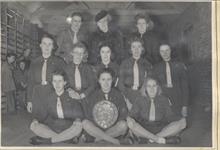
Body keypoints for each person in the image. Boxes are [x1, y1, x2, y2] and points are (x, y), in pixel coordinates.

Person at [29, 70, 84, 145]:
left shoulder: (71, 95)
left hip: (68, 127)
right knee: (33, 126)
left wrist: (77, 119)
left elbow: (79, 113)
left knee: (79, 126)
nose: (57, 84)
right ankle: (65, 139)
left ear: (65, 82)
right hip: (53, 128)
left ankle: (47, 141)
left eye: (60, 81)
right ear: (52, 83)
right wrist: (36, 120)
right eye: (55, 81)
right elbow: (42, 113)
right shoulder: (49, 97)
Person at [127, 77, 186, 144]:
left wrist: (180, 119)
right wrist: (130, 119)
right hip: (143, 129)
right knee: (131, 124)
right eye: (149, 86)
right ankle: (160, 139)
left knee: (182, 123)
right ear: (145, 88)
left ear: (158, 87)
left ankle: (150, 139)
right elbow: (132, 115)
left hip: (161, 129)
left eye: (154, 86)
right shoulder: (139, 99)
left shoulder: (164, 99)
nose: (152, 89)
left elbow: (170, 116)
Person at [82, 68, 128, 145]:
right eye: (103, 79)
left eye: (108, 79)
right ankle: (114, 140)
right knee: (85, 123)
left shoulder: (118, 94)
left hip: (112, 128)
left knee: (124, 125)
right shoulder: (93, 95)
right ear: (99, 81)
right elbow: (89, 115)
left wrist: (114, 121)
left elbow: (123, 113)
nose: (106, 83)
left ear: (112, 80)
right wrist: (98, 124)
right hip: (97, 127)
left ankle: (98, 139)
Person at [27, 34, 66, 115]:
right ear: (40, 45)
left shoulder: (60, 62)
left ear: (53, 47)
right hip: (37, 96)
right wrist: (29, 101)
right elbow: (30, 82)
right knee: (38, 121)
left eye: (49, 44)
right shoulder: (34, 62)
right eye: (44, 44)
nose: (46, 47)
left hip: (53, 95)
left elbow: (66, 80)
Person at [152, 43, 189, 118]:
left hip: (178, 97)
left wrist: (185, 105)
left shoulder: (179, 65)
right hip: (163, 96)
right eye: (162, 51)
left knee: (180, 122)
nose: (165, 53)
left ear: (171, 51)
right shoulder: (156, 68)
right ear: (159, 52)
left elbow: (185, 87)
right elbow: (155, 87)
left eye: (167, 50)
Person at [118, 37, 152, 107]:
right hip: (128, 93)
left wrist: (145, 94)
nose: (136, 49)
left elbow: (149, 80)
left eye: (139, 47)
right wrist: (125, 95)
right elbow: (120, 82)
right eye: (133, 47)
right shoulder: (125, 63)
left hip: (142, 93)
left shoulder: (147, 63)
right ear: (130, 49)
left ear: (142, 49)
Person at [64, 42, 96, 111]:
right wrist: (71, 92)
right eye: (76, 53)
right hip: (71, 96)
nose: (78, 55)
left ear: (84, 55)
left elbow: (92, 85)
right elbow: (65, 84)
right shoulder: (66, 68)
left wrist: (82, 95)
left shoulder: (88, 68)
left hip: (85, 97)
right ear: (72, 53)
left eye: (81, 53)